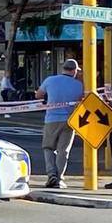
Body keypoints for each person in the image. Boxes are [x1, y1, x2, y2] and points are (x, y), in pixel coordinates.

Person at [36, 59, 85, 188]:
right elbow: (82, 100)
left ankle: (51, 174)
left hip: (51, 119)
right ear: (74, 71)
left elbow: (39, 95)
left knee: (48, 147)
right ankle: (59, 178)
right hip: (70, 121)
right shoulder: (79, 85)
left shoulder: (50, 80)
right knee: (63, 150)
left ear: (63, 68)